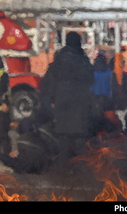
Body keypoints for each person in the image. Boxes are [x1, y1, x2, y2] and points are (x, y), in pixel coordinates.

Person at [39, 31, 96, 172]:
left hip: (62, 101)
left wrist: (52, 98)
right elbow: (91, 80)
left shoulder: (58, 60)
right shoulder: (84, 60)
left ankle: (64, 167)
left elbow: (47, 83)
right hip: (80, 101)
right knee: (80, 136)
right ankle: (82, 168)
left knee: (64, 136)